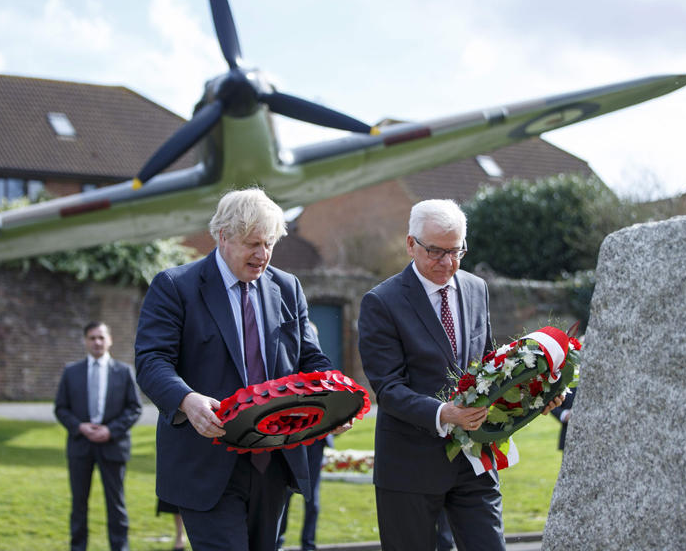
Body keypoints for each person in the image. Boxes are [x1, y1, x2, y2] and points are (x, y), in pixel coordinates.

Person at [135, 187, 351, 551]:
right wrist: (186, 400)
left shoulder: (287, 287)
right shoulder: (175, 287)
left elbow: (311, 360)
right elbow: (151, 361)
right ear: (223, 236)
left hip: (275, 461)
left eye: (269, 244)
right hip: (207, 465)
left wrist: (336, 397)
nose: (262, 255)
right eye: (253, 244)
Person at [357, 199, 562, 550]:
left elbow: (488, 368)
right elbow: (388, 389)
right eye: (436, 252)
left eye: (456, 252)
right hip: (410, 467)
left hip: (474, 461)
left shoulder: (475, 288)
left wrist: (533, 395)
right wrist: (443, 413)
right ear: (411, 244)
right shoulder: (381, 302)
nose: (447, 263)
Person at [55, 321, 142, 551]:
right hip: (80, 446)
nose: (97, 342)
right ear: (85, 341)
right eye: (92, 338)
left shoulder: (123, 372)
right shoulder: (71, 371)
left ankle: (120, 547)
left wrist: (110, 430)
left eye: (101, 337)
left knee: (116, 504)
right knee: (78, 504)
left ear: (109, 340)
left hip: (113, 446)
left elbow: (134, 408)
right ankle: (78, 547)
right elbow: (61, 408)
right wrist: (80, 427)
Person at [276, 434, 332, 551]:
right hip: (293, 436)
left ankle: (308, 545)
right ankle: (278, 542)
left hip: (317, 438)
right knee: (285, 494)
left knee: (312, 498)